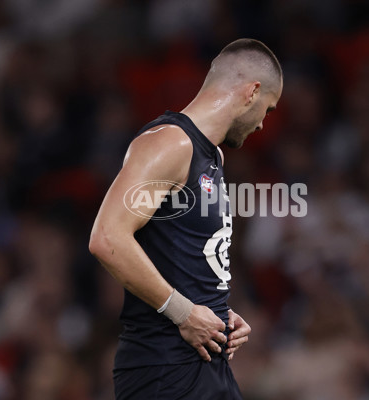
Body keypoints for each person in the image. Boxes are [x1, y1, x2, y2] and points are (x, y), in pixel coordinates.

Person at [89, 38, 283, 399]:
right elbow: (107, 237)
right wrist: (183, 312)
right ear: (252, 92)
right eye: (268, 110)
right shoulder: (169, 143)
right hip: (163, 369)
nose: (261, 125)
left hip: (206, 363)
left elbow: (183, 252)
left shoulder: (212, 158)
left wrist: (216, 308)